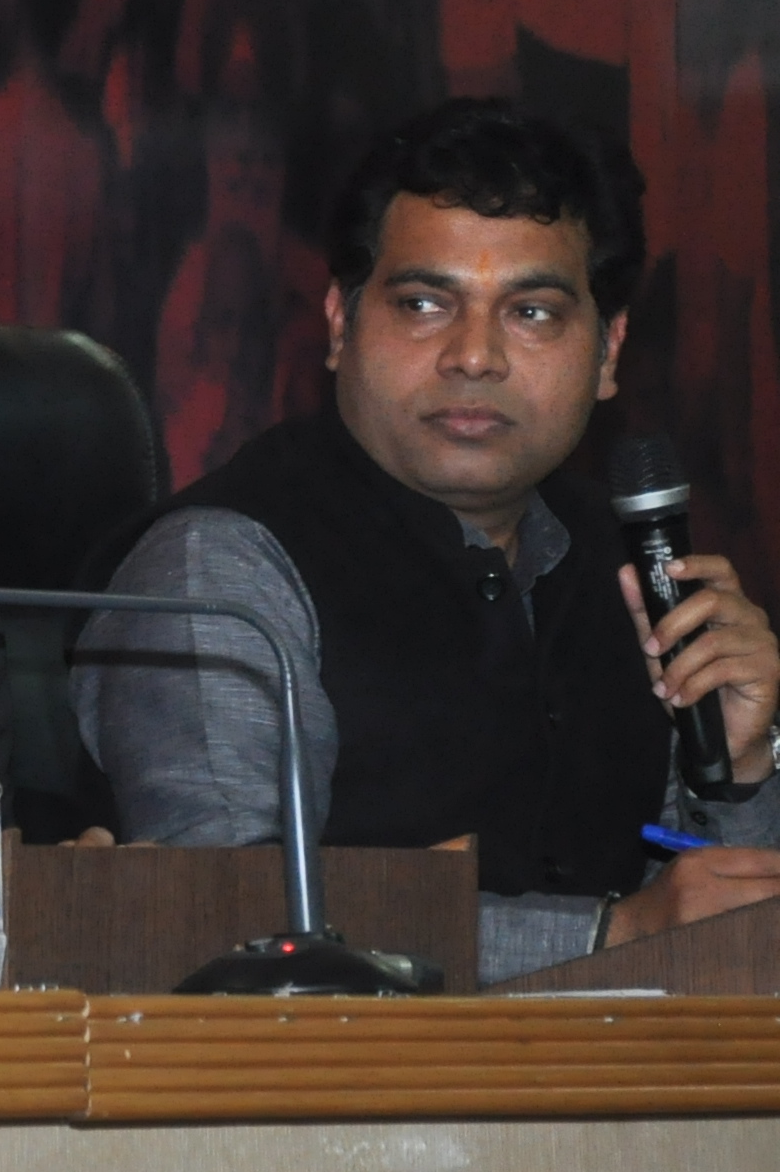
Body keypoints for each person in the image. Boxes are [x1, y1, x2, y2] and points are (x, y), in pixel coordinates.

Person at [77, 103, 780, 982]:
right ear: (339, 325)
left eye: (530, 312)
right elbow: (230, 917)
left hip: (625, 1100)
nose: (474, 356)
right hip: (322, 1104)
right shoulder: (224, 567)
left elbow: (724, 924)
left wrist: (741, 772)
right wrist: (614, 934)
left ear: (608, 353)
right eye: (423, 303)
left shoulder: (631, 563)